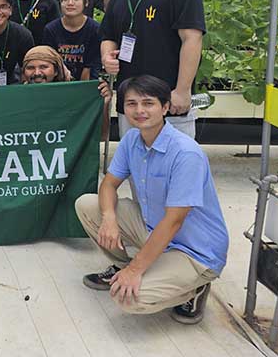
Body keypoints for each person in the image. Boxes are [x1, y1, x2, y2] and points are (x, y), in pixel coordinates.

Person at [75, 75, 228, 324]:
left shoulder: (186, 153)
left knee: (128, 298)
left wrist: (136, 270)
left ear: (165, 107)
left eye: (148, 103)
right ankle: (124, 266)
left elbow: (175, 221)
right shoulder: (131, 140)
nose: (139, 110)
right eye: (132, 104)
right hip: (152, 229)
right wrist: (110, 219)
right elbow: (109, 185)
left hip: (194, 251)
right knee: (88, 205)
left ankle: (195, 288)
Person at [100, 0, 206, 139]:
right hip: (130, 103)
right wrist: (107, 56)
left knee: (175, 164)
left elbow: (192, 39)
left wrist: (182, 90)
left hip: (169, 102)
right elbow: (108, 37)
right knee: (134, 164)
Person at [42, 0, 102, 81]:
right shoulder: (51, 29)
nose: (70, 3)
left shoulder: (95, 29)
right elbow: (49, 61)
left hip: (86, 83)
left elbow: (91, 66)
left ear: (86, 2)